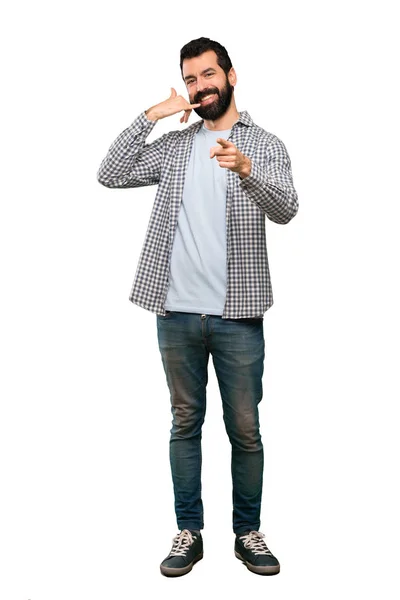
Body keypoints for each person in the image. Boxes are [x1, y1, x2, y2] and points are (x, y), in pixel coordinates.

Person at [97, 37, 298, 577]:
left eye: (208, 74)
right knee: (185, 423)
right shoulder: (174, 145)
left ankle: (248, 533)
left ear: (231, 76)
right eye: (190, 79)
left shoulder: (266, 144)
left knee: (246, 428)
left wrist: (248, 169)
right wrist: (153, 115)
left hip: (238, 317)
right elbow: (109, 172)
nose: (199, 86)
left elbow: (288, 210)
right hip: (176, 313)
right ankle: (189, 532)